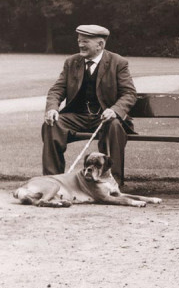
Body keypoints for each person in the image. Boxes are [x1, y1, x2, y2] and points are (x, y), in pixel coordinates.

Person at [42, 25, 137, 187]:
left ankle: (112, 184)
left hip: (105, 118)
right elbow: (57, 89)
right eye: (79, 41)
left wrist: (114, 110)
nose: (80, 45)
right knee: (52, 124)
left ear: (100, 45)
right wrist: (52, 108)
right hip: (77, 117)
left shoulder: (118, 63)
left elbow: (129, 93)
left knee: (114, 126)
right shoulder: (72, 62)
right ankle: (53, 181)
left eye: (85, 42)